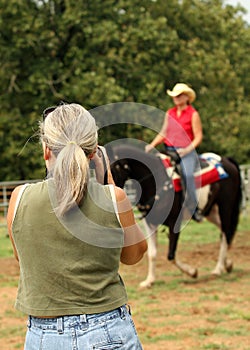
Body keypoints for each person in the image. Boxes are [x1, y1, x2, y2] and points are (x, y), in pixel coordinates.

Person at [7, 103, 147, 350]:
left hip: (43, 337)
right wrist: (109, 185)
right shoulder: (113, 199)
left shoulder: (19, 198)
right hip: (108, 331)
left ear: (46, 149)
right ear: (93, 152)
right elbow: (134, 256)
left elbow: (24, 258)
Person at [145, 83, 203, 222]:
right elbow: (164, 133)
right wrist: (152, 145)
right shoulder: (170, 113)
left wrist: (187, 150)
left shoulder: (193, 114)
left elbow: (198, 136)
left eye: (178, 95)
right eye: (174, 96)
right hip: (169, 151)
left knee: (187, 174)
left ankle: (194, 208)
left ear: (186, 97)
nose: (176, 98)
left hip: (186, 152)